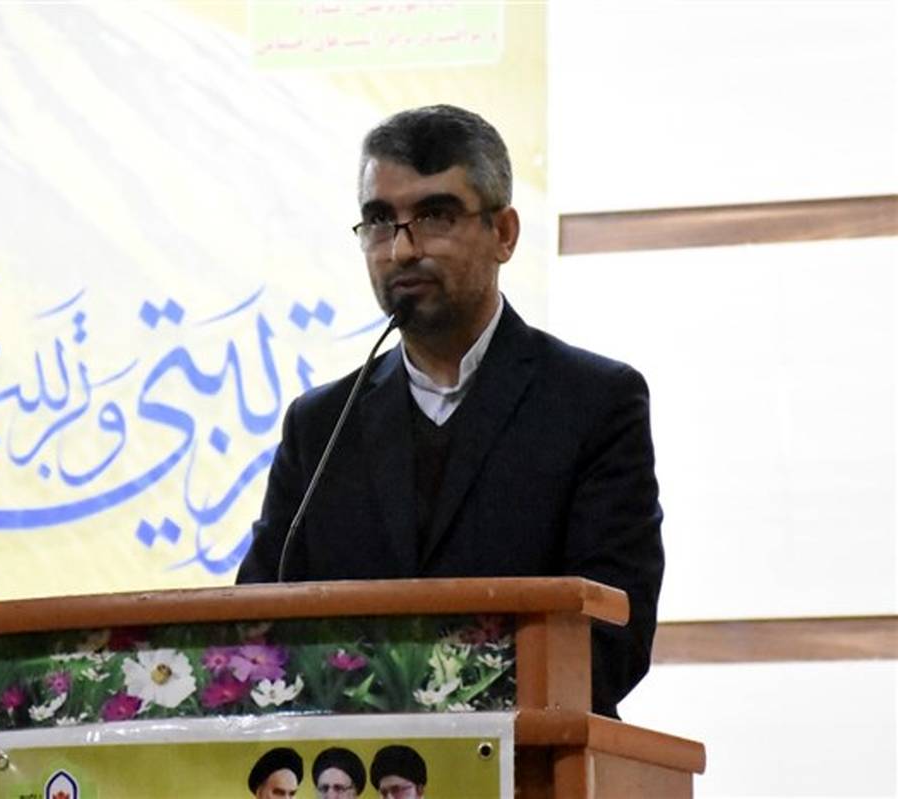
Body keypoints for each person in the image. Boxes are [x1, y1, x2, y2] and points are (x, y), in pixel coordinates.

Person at [235, 104, 664, 718]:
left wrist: (455, 709)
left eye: (435, 216)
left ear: (504, 233)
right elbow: (253, 632)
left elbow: (614, 634)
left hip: (529, 756)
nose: (402, 249)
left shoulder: (593, 402)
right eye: (380, 221)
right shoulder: (321, 426)